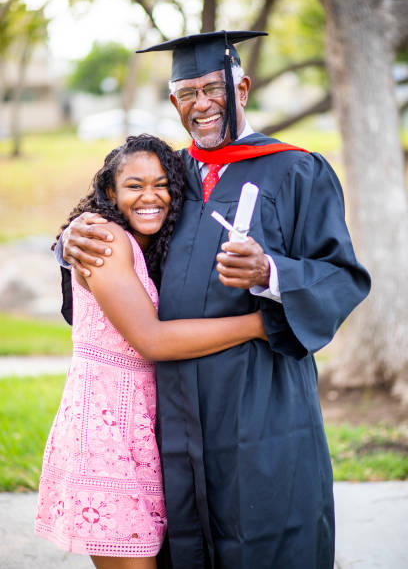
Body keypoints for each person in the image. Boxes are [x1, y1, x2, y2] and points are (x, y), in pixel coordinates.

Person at [57, 31, 371, 569]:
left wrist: (271, 271)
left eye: (213, 88)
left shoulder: (296, 170)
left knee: (266, 537)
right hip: (175, 409)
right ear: (174, 103)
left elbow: (342, 276)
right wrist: (68, 244)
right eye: (186, 93)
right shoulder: (169, 175)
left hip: (260, 404)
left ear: (241, 86)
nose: (201, 104)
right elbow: (114, 235)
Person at [35, 133, 267, 569]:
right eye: (134, 185)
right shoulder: (104, 238)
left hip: (139, 430)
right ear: (110, 192)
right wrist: (259, 325)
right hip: (104, 433)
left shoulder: (147, 246)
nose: (150, 196)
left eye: (161, 184)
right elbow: (152, 339)